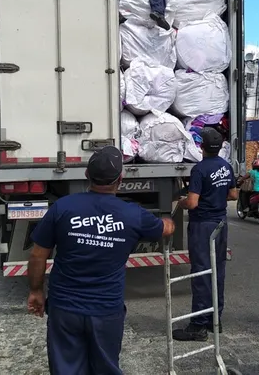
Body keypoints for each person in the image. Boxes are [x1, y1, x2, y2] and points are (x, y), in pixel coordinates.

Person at [27, 146, 175, 375]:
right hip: (106, 311)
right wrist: (169, 220)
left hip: (64, 309)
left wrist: (36, 290)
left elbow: (38, 254)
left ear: (87, 175)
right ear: (120, 179)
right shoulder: (133, 215)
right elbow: (164, 229)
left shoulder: (62, 207)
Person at [172, 128, 238, 341]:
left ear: (201, 147)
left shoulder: (200, 169)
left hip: (203, 226)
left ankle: (198, 325)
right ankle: (214, 320)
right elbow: (233, 194)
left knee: (201, 273)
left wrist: (180, 202)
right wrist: (215, 198)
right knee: (217, 270)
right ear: (219, 147)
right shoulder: (226, 167)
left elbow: (192, 202)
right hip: (220, 223)